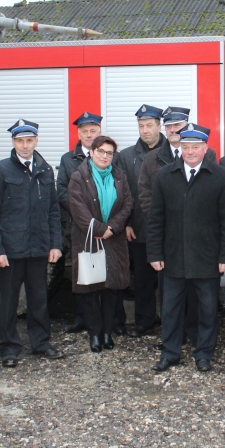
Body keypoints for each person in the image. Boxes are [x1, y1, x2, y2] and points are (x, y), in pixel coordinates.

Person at [146, 123, 225, 373]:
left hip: (207, 258)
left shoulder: (221, 176)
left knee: (207, 310)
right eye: (186, 147)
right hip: (173, 258)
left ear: (205, 148)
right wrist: (154, 253)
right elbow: (156, 218)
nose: (191, 151)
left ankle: (204, 353)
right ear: (180, 148)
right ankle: (170, 353)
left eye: (196, 147)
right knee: (171, 310)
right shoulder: (165, 176)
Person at [0, 119, 66, 367]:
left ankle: (41, 342)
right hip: (11, 250)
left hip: (38, 248)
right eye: (20, 141)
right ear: (13, 142)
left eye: (29, 140)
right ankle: (9, 348)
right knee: (9, 301)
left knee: (39, 298)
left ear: (36, 141)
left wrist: (55, 244)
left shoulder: (45, 170)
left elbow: (53, 210)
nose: (25, 145)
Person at [138, 106, 217, 348]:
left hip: (198, 241)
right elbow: (145, 195)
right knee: (169, 296)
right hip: (168, 238)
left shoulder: (209, 155)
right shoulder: (152, 159)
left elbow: (212, 198)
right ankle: (172, 342)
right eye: (169, 125)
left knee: (196, 297)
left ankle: (196, 339)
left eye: (178, 125)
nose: (173, 129)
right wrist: (168, 221)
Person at [58, 112, 124, 335]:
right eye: (84, 131)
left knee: (110, 283)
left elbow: (127, 202)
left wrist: (110, 227)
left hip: (111, 235)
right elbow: (66, 195)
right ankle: (85, 322)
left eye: (93, 130)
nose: (88, 134)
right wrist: (93, 225)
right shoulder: (69, 161)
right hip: (83, 232)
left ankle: (110, 326)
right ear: (78, 134)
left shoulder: (117, 170)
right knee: (87, 280)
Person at [68, 135, 134, 353]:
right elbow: (77, 208)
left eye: (109, 153)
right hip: (88, 239)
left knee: (110, 289)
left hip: (113, 240)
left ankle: (107, 332)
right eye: (100, 151)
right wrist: (98, 229)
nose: (104, 156)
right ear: (92, 152)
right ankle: (94, 334)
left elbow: (127, 205)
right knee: (90, 290)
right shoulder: (79, 177)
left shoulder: (119, 176)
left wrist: (112, 228)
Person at [118, 104, 166, 338]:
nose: (145, 130)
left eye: (149, 125)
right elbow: (123, 193)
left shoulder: (174, 151)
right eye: (141, 126)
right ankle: (144, 321)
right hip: (139, 227)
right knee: (144, 280)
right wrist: (126, 222)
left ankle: (170, 322)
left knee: (170, 281)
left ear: (159, 126)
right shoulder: (126, 156)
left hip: (169, 230)